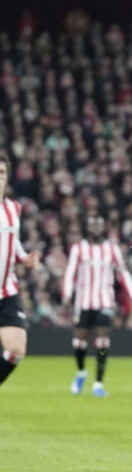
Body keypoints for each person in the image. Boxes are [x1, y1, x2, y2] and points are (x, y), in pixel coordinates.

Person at [62, 214, 132, 397]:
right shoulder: (79, 248)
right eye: (92, 225)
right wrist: (67, 295)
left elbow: (122, 272)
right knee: (79, 341)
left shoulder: (111, 248)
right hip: (83, 301)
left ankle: (98, 383)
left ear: (103, 228)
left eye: (99, 225)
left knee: (102, 340)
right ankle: (81, 372)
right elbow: (70, 272)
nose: (96, 228)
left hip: (105, 300)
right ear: (87, 228)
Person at [0, 153, 40, 391]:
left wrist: (24, 258)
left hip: (6, 292)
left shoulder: (13, 208)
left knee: (16, 351)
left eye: (2, 172)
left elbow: (12, 242)